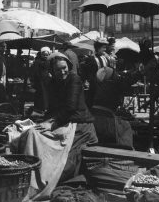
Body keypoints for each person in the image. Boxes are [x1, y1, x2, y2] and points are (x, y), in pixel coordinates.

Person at [10, 52, 98, 201]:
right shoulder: (52, 83)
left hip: (79, 124)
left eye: (64, 68)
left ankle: (43, 180)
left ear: (69, 66)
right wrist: (44, 121)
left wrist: (52, 124)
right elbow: (52, 108)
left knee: (44, 141)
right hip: (62, 120)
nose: (62, 72)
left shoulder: (74, 79)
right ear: (52, 71)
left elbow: (70, 107)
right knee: (31, 133)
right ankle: (30, 178)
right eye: (58, 70)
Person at [81, 37, 110, 108]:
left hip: (105, 86)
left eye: (105, 47)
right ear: (98, 47)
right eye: (103, 47)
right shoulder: (91, 58)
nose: (105, 49)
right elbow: (86, 73)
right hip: (94, 86)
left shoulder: (105, 58)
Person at [29, 46, 52, 112]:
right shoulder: (37, 62)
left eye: (46, 55)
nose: (45, 56)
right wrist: (33, 80)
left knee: (47, 95)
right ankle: (40, 108)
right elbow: (34, 71)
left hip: (47, 80)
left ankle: (46, 107)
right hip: (40, 81)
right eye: (44, 55)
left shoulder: (49, 61)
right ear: (41, 54)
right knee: (41, 95)